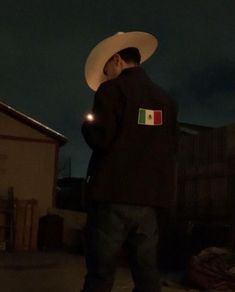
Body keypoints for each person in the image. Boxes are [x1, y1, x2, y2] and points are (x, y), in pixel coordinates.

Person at [81, 31, 178, 292]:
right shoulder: (166, 101)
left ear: (116, 60)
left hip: (113, 195)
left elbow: (101, 138)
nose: (106, 75)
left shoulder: (112, 90)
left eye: (106, 69)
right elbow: (171, 149)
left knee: (101, 272)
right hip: (151, 201)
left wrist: (86, 125)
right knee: (147, 274)